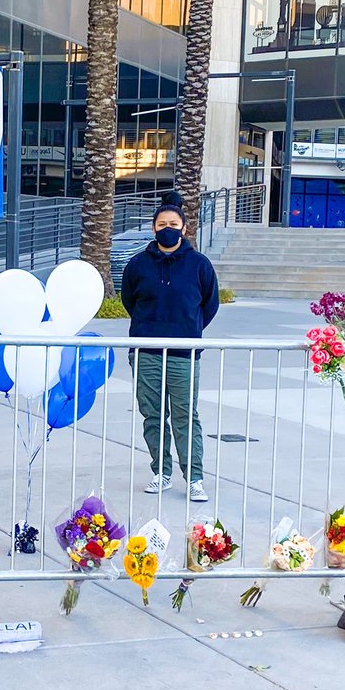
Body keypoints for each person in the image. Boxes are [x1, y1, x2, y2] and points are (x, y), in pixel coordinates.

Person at [121, 190, 220, 502]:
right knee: (152, 415)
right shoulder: (138, 264)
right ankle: (161, 472)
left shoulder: (199, 265)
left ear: (184, 228)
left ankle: (194, 477)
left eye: (173, 224)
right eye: (162, 223)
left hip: (183, 353)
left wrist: (188, 329)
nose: (168, 228)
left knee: (185, 416)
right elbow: (129, 300)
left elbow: (209, 304)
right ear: (154, 227)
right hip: (146, 352)